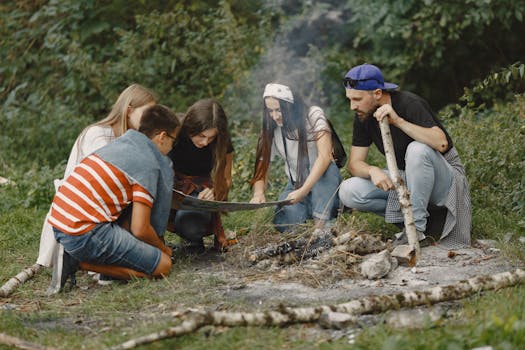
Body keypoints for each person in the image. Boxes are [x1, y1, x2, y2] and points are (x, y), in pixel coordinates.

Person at [47, 104, 179, 293]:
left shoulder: (123, 144)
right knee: (163, 266)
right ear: (162, 137)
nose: (172, 147)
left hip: (61, 223)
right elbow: (140, 229)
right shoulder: (147, 162)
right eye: (173, 141)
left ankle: (97, 263)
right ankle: (76, 262)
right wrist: (162, 249)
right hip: (83, 232)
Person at [338, 63, 471, 247]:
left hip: (446, 182)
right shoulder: (363, 115)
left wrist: (398, 121)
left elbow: (441, 143)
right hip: (409, 179)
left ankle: (415, 230)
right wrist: (372, 170)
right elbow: (354, 163)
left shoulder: (409, 103)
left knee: (417, 150)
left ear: (377, 93)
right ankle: (420, 222)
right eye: (350, 99)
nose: (353, 106)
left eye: (358, 99)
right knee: (348, 190)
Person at [36, 84, 158, 268]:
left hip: (104, 209)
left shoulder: (128, 138)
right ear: (129, 111)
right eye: (148, 113)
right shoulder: (98, 134)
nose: (151, 121)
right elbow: (109, 180)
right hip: (82, 216)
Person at [249, 83, 341, 232]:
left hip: (323, 182)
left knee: (328, 170)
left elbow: (325, 157)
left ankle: (320, 230)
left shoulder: (313, 115)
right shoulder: (270, 127)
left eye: (279, 110)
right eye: (270, 111)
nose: (275, 116)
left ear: (291, 106)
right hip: (295, 184)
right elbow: (262, 165)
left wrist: (304, 190)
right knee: (285, 219)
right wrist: (258, 193)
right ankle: (306, 222)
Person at [167, 98, 234, 252]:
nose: (205, 142)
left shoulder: (222, 140)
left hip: (198, 190)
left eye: (211, 138)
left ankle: (192, 238)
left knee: (191, 227)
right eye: (202, 136)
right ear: (191, 126)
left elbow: (226, 178)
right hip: (168, 185)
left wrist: (214, 191)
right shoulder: (175, 128)